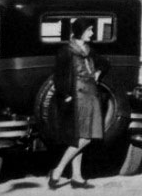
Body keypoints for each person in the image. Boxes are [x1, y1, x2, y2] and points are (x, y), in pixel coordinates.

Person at [48, 17, 104, 190]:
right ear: (81, 31)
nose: (92, 33)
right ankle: (58, 170)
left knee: (81, 137)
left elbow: (104, 63)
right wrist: (65, 95)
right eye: (89, 30)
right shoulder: (66, 51)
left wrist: (98, 72)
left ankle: (77, 176)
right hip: (76, 97)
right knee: (84, 137)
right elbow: (59, 76)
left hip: (90, 95)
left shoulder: (89, 50)